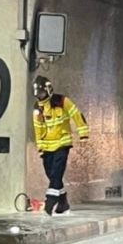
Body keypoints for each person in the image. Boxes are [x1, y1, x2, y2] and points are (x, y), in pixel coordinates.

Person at [32, 76, 89, 216]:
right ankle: (63, 202)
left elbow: (77, 115)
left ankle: (49, 203)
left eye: (42, 93)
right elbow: (38, 128)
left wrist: (83, 135)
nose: (40, 96)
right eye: (38, 94)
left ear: (49, 90)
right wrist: (40, 147)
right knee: (52, 175)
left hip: (62, 144)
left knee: (56, 173)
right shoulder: (37, 108)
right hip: (47, 147)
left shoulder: (62, 102)